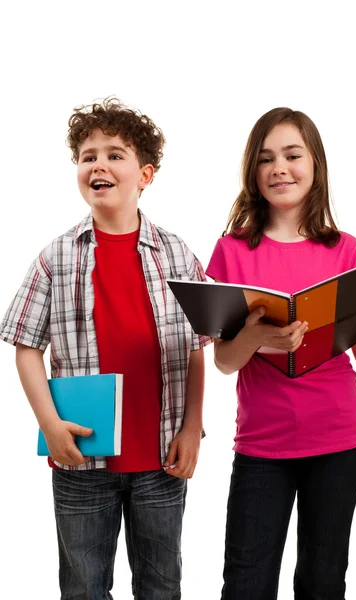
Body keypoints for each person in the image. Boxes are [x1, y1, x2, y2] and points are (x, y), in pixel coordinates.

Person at [0, 97, 211, 600]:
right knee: (83, 588)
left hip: (161, 457)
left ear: (146, 174)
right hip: (81, 459)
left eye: (115, 154)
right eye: (87, 155)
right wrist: (50, 425)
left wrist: (192, 429)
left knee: (162, 586)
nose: (99, 163)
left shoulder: (178, 252)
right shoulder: (55, 257)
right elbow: (26, 346)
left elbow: (197, 345)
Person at [206, 107, 356, 600]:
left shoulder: (347, 251)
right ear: (252, 174)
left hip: (340, 442)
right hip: (261, 446)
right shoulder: (231, 252)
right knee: (245, 584)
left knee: (322, 583)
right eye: (266, 159)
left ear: (315, 164)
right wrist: (257, 338)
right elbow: (223, 361)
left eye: (292, 155)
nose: (280, 168)